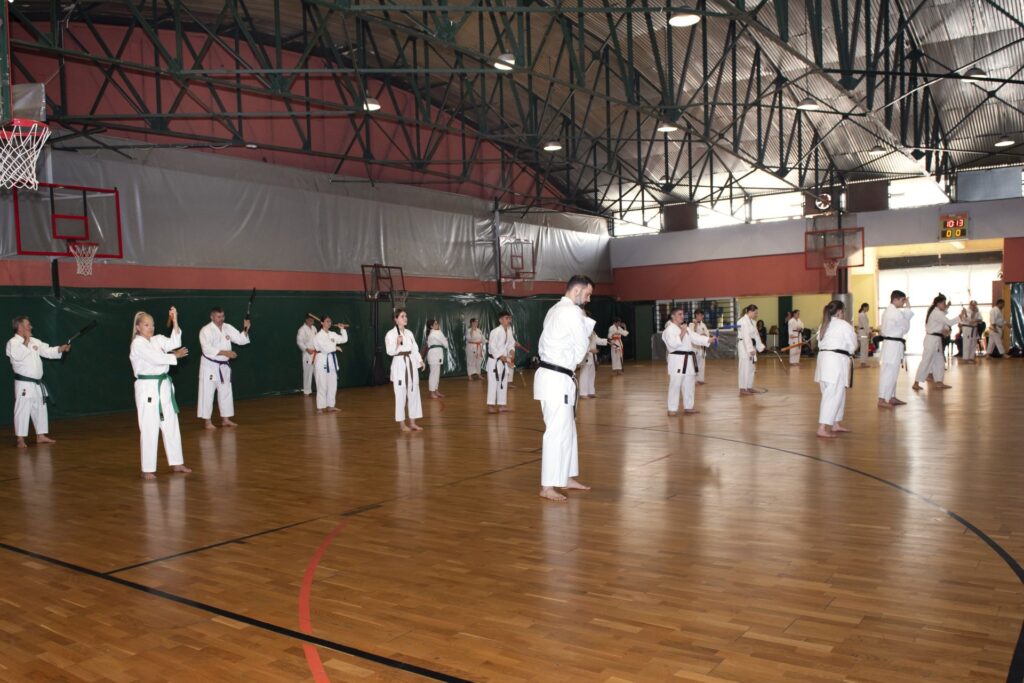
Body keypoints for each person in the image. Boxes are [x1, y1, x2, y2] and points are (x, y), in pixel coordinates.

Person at [534, 275, 596, 502]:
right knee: (556, 432)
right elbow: (580, 352)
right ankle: (547, 486)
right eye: (587, 294)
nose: (588, 299)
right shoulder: (571, 312)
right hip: (556, 378)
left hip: (557, 377)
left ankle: (566, 477)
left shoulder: (555, 309)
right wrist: (584, 323)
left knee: (567, 430)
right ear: (577, 291)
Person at [130, 308, 191, 479]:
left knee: (171, 424)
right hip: (148, 387)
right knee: (149, 427)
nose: (151, 328)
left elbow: (174, 341)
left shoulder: (157, 340)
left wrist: (175, 320)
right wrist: (174, 357)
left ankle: (176, 462)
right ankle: (147, 468)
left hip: (163, 386)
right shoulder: (137, 344)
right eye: (146, 325)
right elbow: (155, 359)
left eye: (152, 325)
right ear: (138, 327)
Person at [6, 316, 70, 448]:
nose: (31, 327)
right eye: (28, 325)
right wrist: (26, 341)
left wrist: (60, 349)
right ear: (20, 327)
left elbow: (47, 351)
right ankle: (20, 439)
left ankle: (40, 436)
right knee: (22, 410)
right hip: (24, 383)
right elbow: (18, 356)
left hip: (37, 383)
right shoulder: (13, 343)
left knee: (40, 408)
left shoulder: (34, 341)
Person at [198, 307, 251, 429]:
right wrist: (226, 353)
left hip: (223, 366)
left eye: (222, 316)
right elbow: (207, 349)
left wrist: (246, 329)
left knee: (226, 392)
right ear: (212, 317)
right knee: (207, 393)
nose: (221, 319)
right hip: (210, 366)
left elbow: (240, 339)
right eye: (218, 316)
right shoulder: (206, 330)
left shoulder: (227, 327)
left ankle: (225, 419)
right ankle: (207, 422)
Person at [815, 300, 858, 439]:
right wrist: (850, 350)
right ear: (839, 311)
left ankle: (836, 423)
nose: (844, 313)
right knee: (832, 395)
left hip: (824, 360)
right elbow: (853, 344)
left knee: (837, 393)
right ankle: (822, 428)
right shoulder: (843, 325)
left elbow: (819, 343)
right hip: (835, 362)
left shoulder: (824, 324)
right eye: (843, 311)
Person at [663, 308, 712, 415]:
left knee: (689, 384)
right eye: (679, 314)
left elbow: (695, 338)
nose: (682, 316)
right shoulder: (669, 330)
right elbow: (673, 344)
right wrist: (683, 332)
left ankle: (688, 407)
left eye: (683, 314)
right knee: (675, 384)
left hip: (689, 359)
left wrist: (708, 340)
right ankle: (672, 408)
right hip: (677, 359)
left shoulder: (685, 328)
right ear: (673, 316)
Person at [385, 308, 424, 431]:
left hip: (411, 363)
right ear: (396, 319)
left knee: (414, 393)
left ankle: (412, 422)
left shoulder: (409, 333)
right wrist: (397, 343)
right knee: (400, 395)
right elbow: (389, 351)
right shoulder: (390, 334)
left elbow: (415, 349)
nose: (405, 318)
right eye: (402, 316)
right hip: (399, 365)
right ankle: (402, 424)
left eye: (406, 316)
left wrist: (420, 361)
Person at [912, 294, 959, 391]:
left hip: (936, 339)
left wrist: (945, 330)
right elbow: (949, 322)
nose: (945, 305)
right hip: (931, 340)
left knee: (940, 361)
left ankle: (939, 382)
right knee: (926, 361)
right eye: (944, 303)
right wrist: (960, 317)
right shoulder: (936, 313)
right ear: (938, 304)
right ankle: (916, 383)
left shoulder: (937, 312)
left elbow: (943, 318)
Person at [877, 290, 914, 409]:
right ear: (895, 299)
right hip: (892, 346)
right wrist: (908, 308)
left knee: (891, 373)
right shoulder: (895, 313)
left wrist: (907, 308)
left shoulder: (888, 311)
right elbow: (905, 328)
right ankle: (882, 399)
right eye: (902, 300)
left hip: (891, 345)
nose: (903, 303)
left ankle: (891, 397)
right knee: (889, 373)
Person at [312, 315, 348, 413]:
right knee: (321, 385)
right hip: (321, 361)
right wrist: (335, 347)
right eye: (327, 321)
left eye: (330, 321)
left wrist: (342, 329)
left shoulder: (332, 334)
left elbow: (344, 339)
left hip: (331, 362)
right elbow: (324, 348)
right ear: (322, 323)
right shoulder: (318, 336)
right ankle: (320, 407)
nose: (329, 323)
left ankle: (331, 406)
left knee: (333, 384)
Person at [486, 311, 516, 413]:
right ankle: (490, 405)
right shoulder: (495, 331)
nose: (509, 320)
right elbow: (492, 347)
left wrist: (512, 352)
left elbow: (511, 344)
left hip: (504, 360)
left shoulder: (509, 331)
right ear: (500, 320)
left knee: (503, 382)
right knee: (493, 383)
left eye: (509, 318)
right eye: (506, 318)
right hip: (494, 361)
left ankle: (502, 405)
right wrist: (503, 358)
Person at [737, 305, 765, 395]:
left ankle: (749, 387)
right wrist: (750, 349)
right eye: (755, 313)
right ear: (749, 312)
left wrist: (760, 346)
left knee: (751, 367)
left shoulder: (753, 322)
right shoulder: (742, 321)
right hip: (744, 346)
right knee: (744, 367)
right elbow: (746, 336)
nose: (756, 314)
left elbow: (756, 335)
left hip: (751, 345)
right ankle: (742, 388)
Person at [578, 318, 607, 399]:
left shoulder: (592, 331)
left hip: (592, 356)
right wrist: (590, 350)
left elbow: (597, 340)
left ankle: (591, 392)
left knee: (592, 374)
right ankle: (583, 393)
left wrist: (606, 341)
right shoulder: (582, 331)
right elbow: (580, 344)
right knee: (584, 374)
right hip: (586, 355)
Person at [425, 319, 449, 398]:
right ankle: (432, 392)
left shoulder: (434, 333)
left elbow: (442, 341)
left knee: (436, 374)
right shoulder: (436, 332)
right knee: (434, 374)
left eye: (437, 323)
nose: (437, 325)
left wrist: (444, 340)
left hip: (436, 354)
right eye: (435, 324)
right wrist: (445, 340)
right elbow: (445, 344)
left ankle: (436, 391)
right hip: (434, 354)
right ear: (431, 326)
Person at [296, 315, 317, 396]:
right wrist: (307, 349)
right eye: (310, 320)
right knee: (308, 372)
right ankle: (307, 391)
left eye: (313, 320)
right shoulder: (302, 329)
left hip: (316, 353)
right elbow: (299, 342)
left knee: (317, 372)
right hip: (307, 353)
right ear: (306, 320)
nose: (312, 321)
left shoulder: (314, 328)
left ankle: (320, 389)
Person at [688, 310, 710, 384]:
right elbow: (691, 335)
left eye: (701, 315)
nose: (700, 317)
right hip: (694, 347)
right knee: (694, 363)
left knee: (701, 364)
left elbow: (707, 334)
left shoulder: (703, 325)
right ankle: (693, 380)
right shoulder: (691, 324)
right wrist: (696, 326)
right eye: (698, 315)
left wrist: (705, 336)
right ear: (695, 315)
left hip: (702, 347)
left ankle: (700, 379)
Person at [857, 303, 872, 367]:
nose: (868, 309)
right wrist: (869, 332)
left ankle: (864, 362)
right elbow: (865, 325)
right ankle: (863, 363)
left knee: (865, 347)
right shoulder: (862, 315)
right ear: (864, 307)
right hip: (863, 333)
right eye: (867, 307)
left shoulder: (863, 314)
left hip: (863, 332)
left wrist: (869, 331)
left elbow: (866, 325)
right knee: (864, 347)